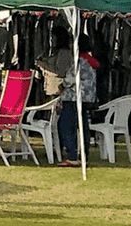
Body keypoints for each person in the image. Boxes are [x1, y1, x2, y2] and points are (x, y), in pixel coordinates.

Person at [37, 29, 98, 167]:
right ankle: (83, 155)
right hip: (86, 98)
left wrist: (61, 87)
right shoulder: (90, 61)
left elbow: (69, 79)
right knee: (83, 127)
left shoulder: (79, 62)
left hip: (73, 98)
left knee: (66, 126)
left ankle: (72, 155)